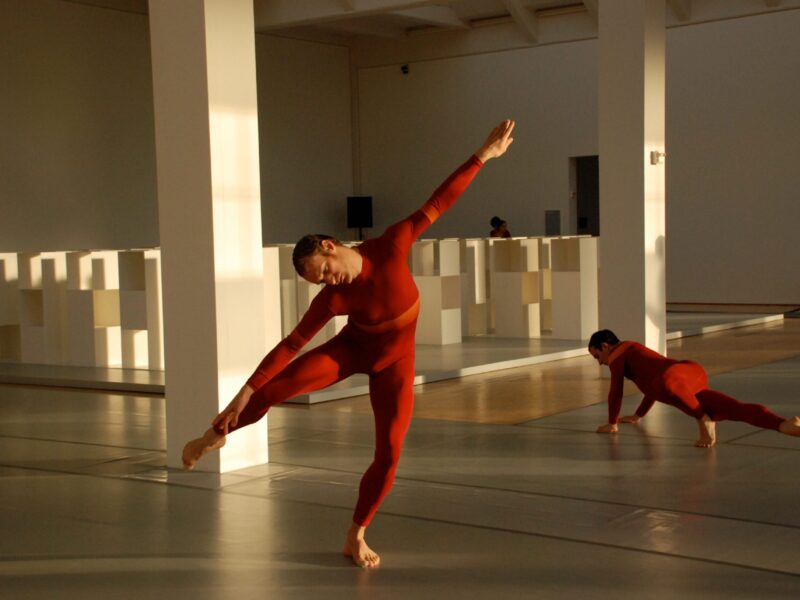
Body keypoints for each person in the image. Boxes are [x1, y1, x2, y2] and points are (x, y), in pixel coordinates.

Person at [181, 120, 516, 568]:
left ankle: (355, 535)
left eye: (323, 271)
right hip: (352, 350)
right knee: (275, 389)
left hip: (396, 362)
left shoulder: (391, 245)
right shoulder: (333, 299)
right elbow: (290, 345)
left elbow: (440, 200)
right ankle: (215, 435)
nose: (327, 281)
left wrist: (482, 155)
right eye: (319, 281)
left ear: (328, 245)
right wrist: (242, 393)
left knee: (390, 454)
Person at [589, 329, 800, 448]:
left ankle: (703, 419)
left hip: (674, 378)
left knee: (668, 386)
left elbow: (616, 390)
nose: (599, 362)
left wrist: (612, 423)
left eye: (597, 356)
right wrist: (637, 415)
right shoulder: (635, 352)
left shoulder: (618, 355)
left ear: (605, 347)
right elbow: (652, 389)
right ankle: (783, 424)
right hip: (690, 373)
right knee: (733, 408)